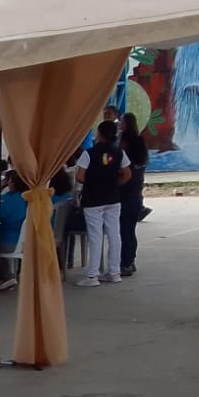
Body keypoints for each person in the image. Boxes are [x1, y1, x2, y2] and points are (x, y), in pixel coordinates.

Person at [73, 119, 131, 286]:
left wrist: (95, 183)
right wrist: (113, 184)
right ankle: (114, 272)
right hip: (113, 198)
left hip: (93, 200)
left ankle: (92, 275)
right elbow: (127, 175)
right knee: (114, 234)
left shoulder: (89, 153)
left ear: (99, 134)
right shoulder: (119, 153)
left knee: (95, 236)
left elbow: (80, 177)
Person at [118, 112, 149, 277]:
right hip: (137, 194)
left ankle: (125, 263)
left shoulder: (125, 149)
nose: (119, 124)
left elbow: (123, 174)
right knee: (130, 230)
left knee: (124, 231)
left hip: (126, 194)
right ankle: (131, 260)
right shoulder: (140, 146)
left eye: (121, 122)